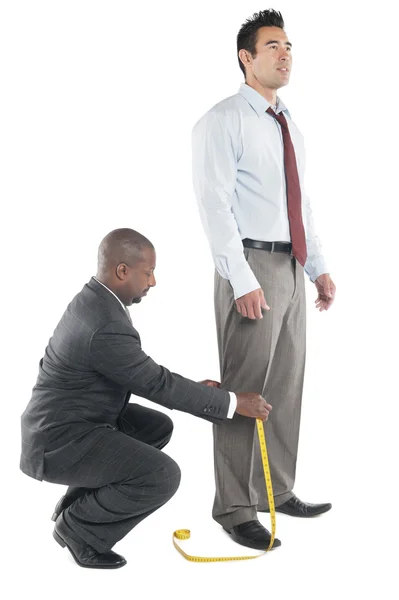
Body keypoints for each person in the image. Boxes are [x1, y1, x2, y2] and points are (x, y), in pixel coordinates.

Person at [20, 228, 274, 569]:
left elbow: (142, 373)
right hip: (58, 441)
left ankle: (76, 505)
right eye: (148, 272)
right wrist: (231, 403)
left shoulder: (95, 300)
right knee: (161, 476)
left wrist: (199, 391)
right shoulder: (104, 323)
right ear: (122, 271)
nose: (153, 282)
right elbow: (155, 383)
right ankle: (79, 528)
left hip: (67, 421)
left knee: (154, 426)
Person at [191, 9, 336, 551]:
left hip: (293, 268)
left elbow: (299, 204)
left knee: (285, 388)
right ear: (245, 57)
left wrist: (317, 268)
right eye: (273, 45)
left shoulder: (288, 122)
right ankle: (233, 506)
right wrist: (242, 279)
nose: (285, 54)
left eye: (289, 46)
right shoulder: (223, 120)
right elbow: (215, 207)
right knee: (242, 391)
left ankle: (276, 492)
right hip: (250, 265)